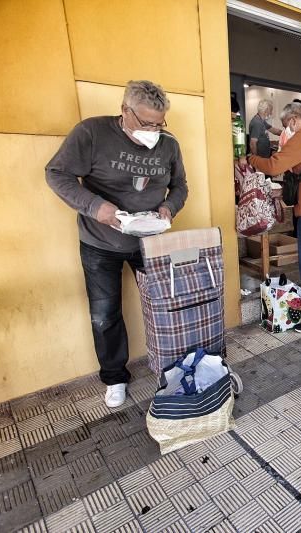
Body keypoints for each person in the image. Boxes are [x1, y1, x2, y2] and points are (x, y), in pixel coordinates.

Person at [45, 80, 188, 408]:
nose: (155, 129)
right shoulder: (91, 134)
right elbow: (57, 174)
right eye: (147, 122)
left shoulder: (168, 144)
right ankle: (114, 377)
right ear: (125, 111)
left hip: (150, 241)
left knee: (165, 304)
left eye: (160, 122)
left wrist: (170, 207)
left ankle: (173, 365)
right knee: (105, 314)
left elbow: (180, 185)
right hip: (101, 242)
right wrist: (98, 208)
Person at [248, 102, 301, 333]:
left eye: (287, 125)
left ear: (294, 120)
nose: (287, 130)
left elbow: (274, 165)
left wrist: (251, 159)